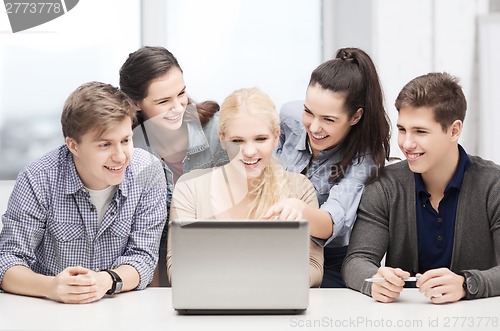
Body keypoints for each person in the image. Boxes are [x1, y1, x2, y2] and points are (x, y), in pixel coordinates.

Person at [0, 82, 168, 304]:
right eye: (105, 145)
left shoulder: (148, 171)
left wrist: (106, 281)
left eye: (125, 141)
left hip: (119, 309)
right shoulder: (38, 178)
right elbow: (7, 261)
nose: (120, 156)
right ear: (73, 146)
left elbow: (143, 257)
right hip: (46, 310)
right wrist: (52, 287)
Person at [342, 72, 500, 304]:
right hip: (405, 319)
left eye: (420, 131)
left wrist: (466, 284)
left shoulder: (493, 184)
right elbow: (356, 261)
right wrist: (375, 279)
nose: (407, 143)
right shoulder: (385, 185)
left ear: (454, 130)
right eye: (402, 129)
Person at [167, 87, 324, 287]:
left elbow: (314, 267)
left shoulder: (300, 188)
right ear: (222, 138)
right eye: (237, 141)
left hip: (277, 305)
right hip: (210, 309)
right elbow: (177, 269)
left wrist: (257, 283)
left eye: (260, 139)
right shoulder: (189, 189)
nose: (249, 151)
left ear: (276, 137)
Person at [273, 47, 391, 288]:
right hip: (274, 248)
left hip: (330, 262)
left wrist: (299, 209)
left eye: (328, 120)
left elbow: (330, 222)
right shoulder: (288, 116)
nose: (314, 127)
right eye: (309, 112)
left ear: (355, 117)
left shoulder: (364, 157)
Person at [119, 46, 229, 286]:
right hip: (150, 267)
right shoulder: (126, 148)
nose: (179, 107)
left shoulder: (219, 134)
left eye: (181, 93)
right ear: (136, 103)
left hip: (218, 258)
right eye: (163, 101)